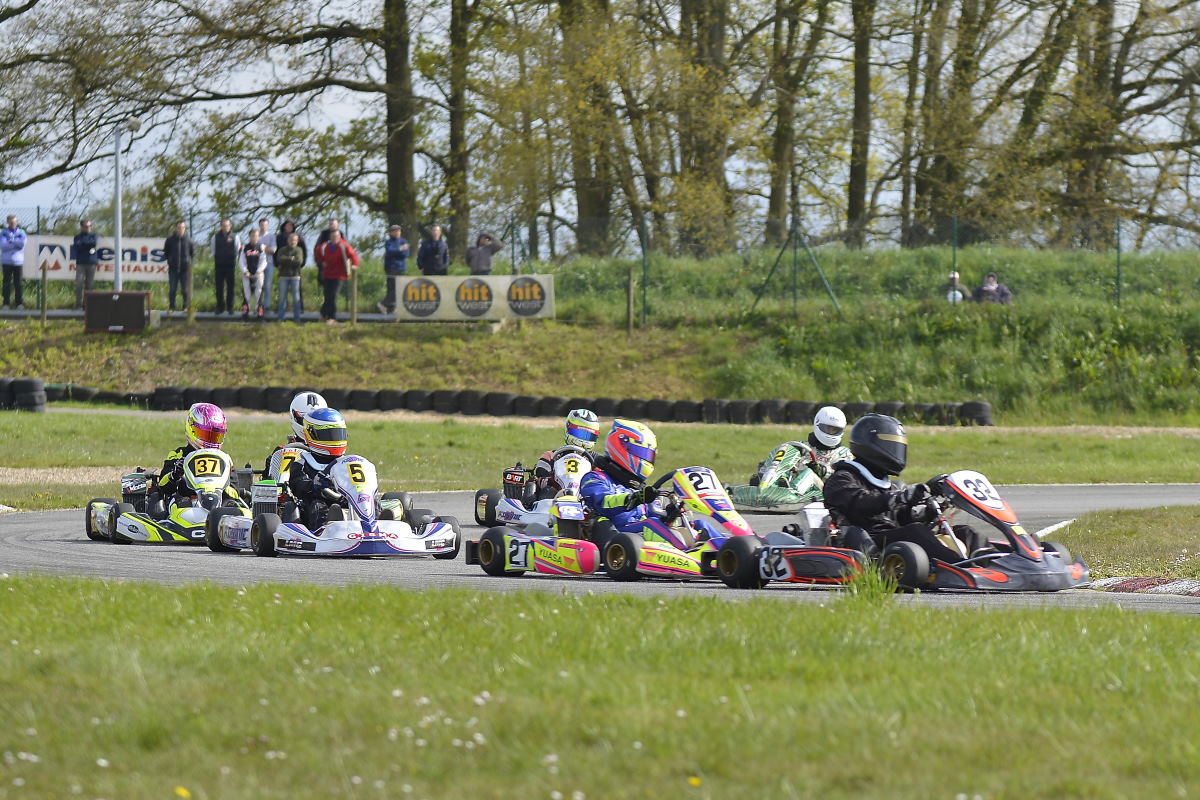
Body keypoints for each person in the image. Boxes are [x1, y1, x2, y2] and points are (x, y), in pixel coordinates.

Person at [822, 413, 985, 564]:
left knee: (965, 531)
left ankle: (990, 562)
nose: (896, 451)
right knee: (915, 532)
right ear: (872, 445)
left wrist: (932, 506)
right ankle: (960, 565)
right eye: (891, 444)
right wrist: (899, 497)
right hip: (869, 541)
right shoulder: (842, 478)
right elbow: (861, 502)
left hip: (897, 538)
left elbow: (904, 518)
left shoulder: (886, 483)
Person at [580, 419, 686, 554]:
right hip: (617, 536)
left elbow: (657, 516)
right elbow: (604, 503)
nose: (646, 458)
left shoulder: (637, 487)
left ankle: (715, 550)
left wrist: (670, 515)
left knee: (701, 525)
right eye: (641, 452)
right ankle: (688, 554)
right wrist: (634, 499)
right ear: (622, 447)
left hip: (641, 535)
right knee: (652, 524)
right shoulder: (595, 478)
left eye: (649, 455)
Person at [728, 406, 851, 512]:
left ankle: (791, 493)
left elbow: (843, 477)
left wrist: (822, 470)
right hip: (791, 483)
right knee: (785, 448)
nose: (831, 432)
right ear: (818, 424)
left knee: (808, 474)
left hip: (823, 490)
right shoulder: (802, 447)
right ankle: (760, 484)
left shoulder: (843, 453)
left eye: (835, 430)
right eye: (828, 428)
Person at [153, 403, 233, 509]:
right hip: (186, 503)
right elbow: (163, 486)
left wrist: (222, 484)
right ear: (192, 429)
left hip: (217, 506)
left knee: (232, 505)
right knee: (180, 502)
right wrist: (176, 474)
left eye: (215, 437)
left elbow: (235, 493)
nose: (210, 442)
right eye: (205, 435)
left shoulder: (225, 460)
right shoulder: (179, 454)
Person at [286, 407, 349, 529]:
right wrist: (319, 486)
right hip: (315, 505)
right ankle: (329, 528)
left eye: (337, 434)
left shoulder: (346, 462)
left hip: (347, 500)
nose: (334, 439)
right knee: (318, 506)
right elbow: (299, 487)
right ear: (311, 433)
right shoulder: (302, 464)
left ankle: (380, 523)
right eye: (328, 435)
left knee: (372, 502)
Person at [531, 409, 600, 498]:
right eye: (580, 433)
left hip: (584, 499)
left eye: (588, 435)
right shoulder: (552, 455)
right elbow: (541, 472)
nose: (583, 439)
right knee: (544, 489)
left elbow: (601, 479)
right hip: (554, 497)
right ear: (568, 429)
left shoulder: (596, 459)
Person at [264, 391, 327, 479]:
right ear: (295, 417)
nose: (312, 426)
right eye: (307, 421)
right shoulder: (282, 450)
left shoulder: (330, 451)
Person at [314, 228, 359, 324]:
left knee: (333, 296)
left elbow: (353, 255)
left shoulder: (344, 245)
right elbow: (317, 253)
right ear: (330, 237)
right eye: (333, 236)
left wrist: (354, 265)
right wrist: (322, 262)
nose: (335, 238)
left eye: (337, 236)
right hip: (327, 274)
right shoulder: (325, 246)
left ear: (339, 237)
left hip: (339, 275)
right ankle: (324, 315)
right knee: (327, 296)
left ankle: (332, 317)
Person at [162, 220, 194, 312]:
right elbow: (166, 252)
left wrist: (187, 262)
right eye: (179, 228)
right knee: (172, 289)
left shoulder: (189, 240)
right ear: (176, 228)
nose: (180, 229)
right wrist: (170, 261)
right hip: (173, 269)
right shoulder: (170, 240)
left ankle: (185, 307)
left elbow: (192, 253)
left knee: (185, 290)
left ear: (185, 228)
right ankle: (172, 307)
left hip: (185, 269)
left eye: (182, 228)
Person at [211, 219, 241, 315]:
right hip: (219, 266)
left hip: (230, 266)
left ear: (230, 226)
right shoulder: (215, 237)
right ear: (220, 226)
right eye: (223, 225)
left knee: (230, 288)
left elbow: (238, 250)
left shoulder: (235, 237)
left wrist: (235, 261)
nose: (225, 227)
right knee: (219, 287)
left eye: (227, 225)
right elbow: (213, 251)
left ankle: (230, 307)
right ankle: (220, 307)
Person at [378, 224, 409, 314]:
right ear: (391, 233)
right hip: (391, 267)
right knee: (392, 288)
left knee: (398, 288)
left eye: (398, 231)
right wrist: (400, 249)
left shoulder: (404, 241)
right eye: (394, 231)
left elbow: (406, 254)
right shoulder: (389, 242)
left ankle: (387, 306)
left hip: (401, 267)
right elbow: (390, 251)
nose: (397, 232)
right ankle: (386, 305)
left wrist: (398, 251)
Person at [275, 231, 305, 322]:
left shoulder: (299, 250)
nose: (293, 241)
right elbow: (279, 259)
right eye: (291, 240)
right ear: (288, 240)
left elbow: (299, 261)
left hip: (295, 276)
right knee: (282, 298)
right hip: (283, 276)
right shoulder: (282, 250)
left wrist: (287, 259)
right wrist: (291, 258)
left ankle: (297, 318)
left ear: (297, 241)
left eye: (295, 240)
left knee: (296, 298)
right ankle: (281, 317)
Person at [71, 219, 99, 310]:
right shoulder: (77, 237)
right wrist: (86, 244)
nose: (88, 228)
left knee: (89, 285)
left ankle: (86, 305)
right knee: (79, 284)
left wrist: (84, 244)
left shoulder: (94, 236)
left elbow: (93, 243)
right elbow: (77, 246)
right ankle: (78, 304)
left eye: (89, 226)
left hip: (91, 263)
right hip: (80, 263)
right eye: (86, 226)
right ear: (82, 227)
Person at [240, 228, 267, 320]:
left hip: (258, 273)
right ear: (249, 236)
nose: (254, 237)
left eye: (256, 235)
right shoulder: (245, 248)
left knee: (258, 292)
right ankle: (245, 311)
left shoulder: (261, 247)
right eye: (252, 235)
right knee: (246, 291)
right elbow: (242, 261)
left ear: (258, 236)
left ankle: (259, 311)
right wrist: (245, 271)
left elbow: (264, 261)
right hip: (246, 273)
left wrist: (259, 271)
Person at [0, 215, 27, 310]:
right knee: (6, 283)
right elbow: (3, 245)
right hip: (6, 262)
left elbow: (22, 244)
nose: (12, 224)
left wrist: (10, 241)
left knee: (18, 283)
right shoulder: (3, 232)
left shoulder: (22, 232)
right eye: (11, 222)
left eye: (14, 222)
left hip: (18, 262)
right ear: (7, 222)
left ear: (17, 222)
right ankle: (6, 304)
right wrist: (15, 243)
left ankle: (19, 303)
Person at [257, 218, 277, 313]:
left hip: (269, 264)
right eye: (262, 225)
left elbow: (273, 250)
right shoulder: (256, 236)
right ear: (259, 225)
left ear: (268, 226)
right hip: (257, 264)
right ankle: (258, 307)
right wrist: (265, 248)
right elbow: (253, 250)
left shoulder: (271, 236)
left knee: (267, 286)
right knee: (258, 286)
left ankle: (267, 306)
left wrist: (262, 247)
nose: (263, 227)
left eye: (265, 225)